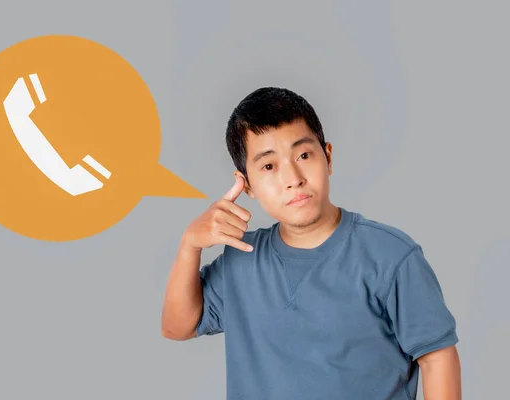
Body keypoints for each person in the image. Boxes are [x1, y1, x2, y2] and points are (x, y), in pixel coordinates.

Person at [161, 87, 462, 399]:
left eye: (304, 155)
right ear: (246, 184)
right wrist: (189, 247)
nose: (293, 177)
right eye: (269, 166)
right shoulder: (241, 260)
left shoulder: (390, 256)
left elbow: (437, 356)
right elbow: (177, 327)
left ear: (327, 157)